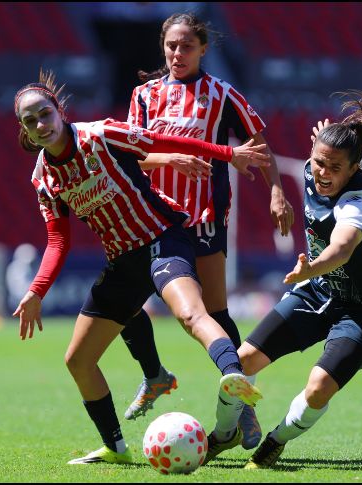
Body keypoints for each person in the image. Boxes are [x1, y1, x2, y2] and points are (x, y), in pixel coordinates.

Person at [12, 69, 269, 465]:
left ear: (59, 110)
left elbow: (163, 140)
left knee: (189, 313)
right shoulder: (44, 178)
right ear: (25, 132)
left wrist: (228, 154)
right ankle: (116, 449)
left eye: (44, 114)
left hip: (162, 239)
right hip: (123, 260)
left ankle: (232, 378)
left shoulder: (100, 134)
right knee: (77, 360)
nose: (40, 125)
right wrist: (35, 292)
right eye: (30, 122)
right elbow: (58, 241)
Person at [201, 88, 362, 467]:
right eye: (319, 162)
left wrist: (312, 267)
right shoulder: (316, 164)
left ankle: (276, 440)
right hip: (320, 291)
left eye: (335, 168)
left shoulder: (359, 200)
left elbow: (341, 249)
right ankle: (226, 434)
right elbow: (327, 149)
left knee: (319, 386)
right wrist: (325, 141)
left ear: (354, 169)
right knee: (238, 365)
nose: (323, 173)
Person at [119, 12, 295, 451]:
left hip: (203, 220)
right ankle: (155, 374)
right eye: (172, 46)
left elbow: (259, 146)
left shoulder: (221, 95)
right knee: (122, 303)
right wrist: (168, 161)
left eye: (187, 46)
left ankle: (243, 408)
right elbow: (131, 156)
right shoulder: (143, 97)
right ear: (163, 46)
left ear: (203, 49)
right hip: (153, 218)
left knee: (213, 314)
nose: (178, 54)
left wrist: (277, 192)